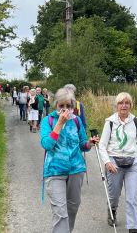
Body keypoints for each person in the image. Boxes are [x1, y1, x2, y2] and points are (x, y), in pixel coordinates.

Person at [40, 87, 99, 233]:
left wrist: (89, 143)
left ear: (73, 106)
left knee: (72, 209)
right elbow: (47, 144)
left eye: (69, 106)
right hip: (54, 171)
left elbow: (82, 145)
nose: (65, 109)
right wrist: (59, 124)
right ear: (56, 105)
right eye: (62, 106)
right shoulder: (48, 121)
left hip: (76, 170)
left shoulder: (77, 121)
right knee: (61, 213)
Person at [98, 92, 137, 233]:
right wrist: (107, 162)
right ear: (117, 105)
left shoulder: (136, 121)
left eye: (127, 103)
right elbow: (102, 145)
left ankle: (133, 228)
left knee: (132, 197)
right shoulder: (110, 122)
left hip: (133, 163)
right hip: (114, 162)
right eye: (121, 103)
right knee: (114, 195)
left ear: (131, 105)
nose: (124, 105)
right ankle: (112, 208)